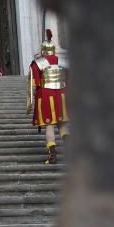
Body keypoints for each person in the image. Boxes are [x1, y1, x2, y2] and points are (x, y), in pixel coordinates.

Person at [27, 29, 68, 164]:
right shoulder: (63, 62)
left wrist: (31, 102)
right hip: (62, 94)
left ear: (43, 50)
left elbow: (35, 83)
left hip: (45, 95)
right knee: (62, 124)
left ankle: (53, 155)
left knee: (49, 125)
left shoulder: (37, 64)